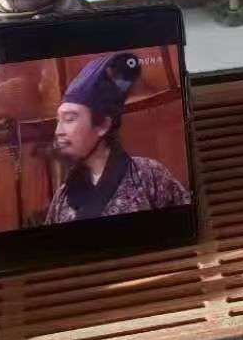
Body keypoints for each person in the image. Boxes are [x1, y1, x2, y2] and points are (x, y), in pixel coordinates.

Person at [44, 51, 189, 224]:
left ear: (102, 125)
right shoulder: (62, 197)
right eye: (58, 121)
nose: (58, 131)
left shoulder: (149, 175)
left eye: (69, 119)